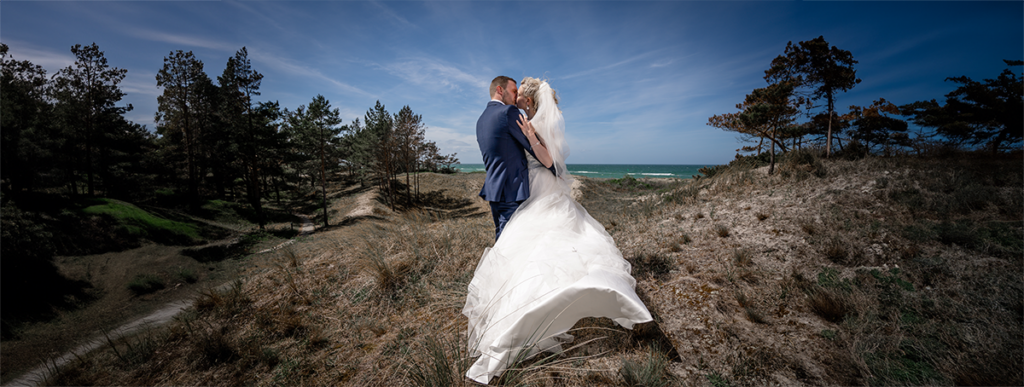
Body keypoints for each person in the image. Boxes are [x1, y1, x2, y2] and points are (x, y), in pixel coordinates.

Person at [463, 77, 653, 383]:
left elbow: (545, 158)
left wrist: (534, 138)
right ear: (505, 92)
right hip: (524, 187)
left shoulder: (489, 117)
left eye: (520, 94)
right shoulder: (514, 115)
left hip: (513, 189)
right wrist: (533, 139)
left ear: (530, 99)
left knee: (523, 247)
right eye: (514, 93)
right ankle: (516, 304)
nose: (516, 98)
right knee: (523, 247)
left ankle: (517, 304)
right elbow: (542, 158)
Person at [476, 76, 555, 240]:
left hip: (494, 192)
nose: (515, 96)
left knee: (501, 241)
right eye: (513, 91)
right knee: (511, 244)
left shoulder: (481, 119)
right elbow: (533, 148)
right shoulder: (508, 112)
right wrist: (556, 170)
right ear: (499, 90)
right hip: (512, 193)